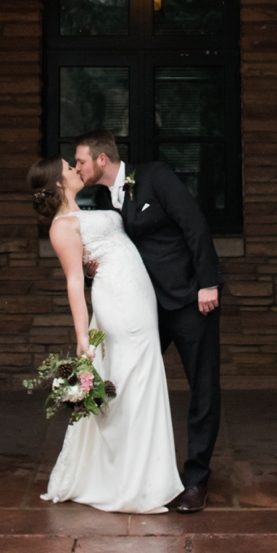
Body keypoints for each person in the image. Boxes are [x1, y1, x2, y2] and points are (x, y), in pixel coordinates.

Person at [70, 131, 223, 513]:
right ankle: (134, 472)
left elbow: (195, 224)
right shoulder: (105, 197)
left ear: (101, 160)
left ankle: (196, 480)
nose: (77, 168)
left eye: (81, 161)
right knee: (126, 381)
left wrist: (208, 283)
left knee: (202, 388)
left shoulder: (156, 176)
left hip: (189, 300)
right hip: (143, 307)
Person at [28, 158, 183, 513]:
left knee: (142, 380)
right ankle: (134, 483)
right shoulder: (61, 226)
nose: (76, 169)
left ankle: (146, 476)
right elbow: (73, 281)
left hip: (138, 298)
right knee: (133, 382)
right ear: (57, 182)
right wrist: (82, 337)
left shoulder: (85, 208)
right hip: (119, 303)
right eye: (70, 167)